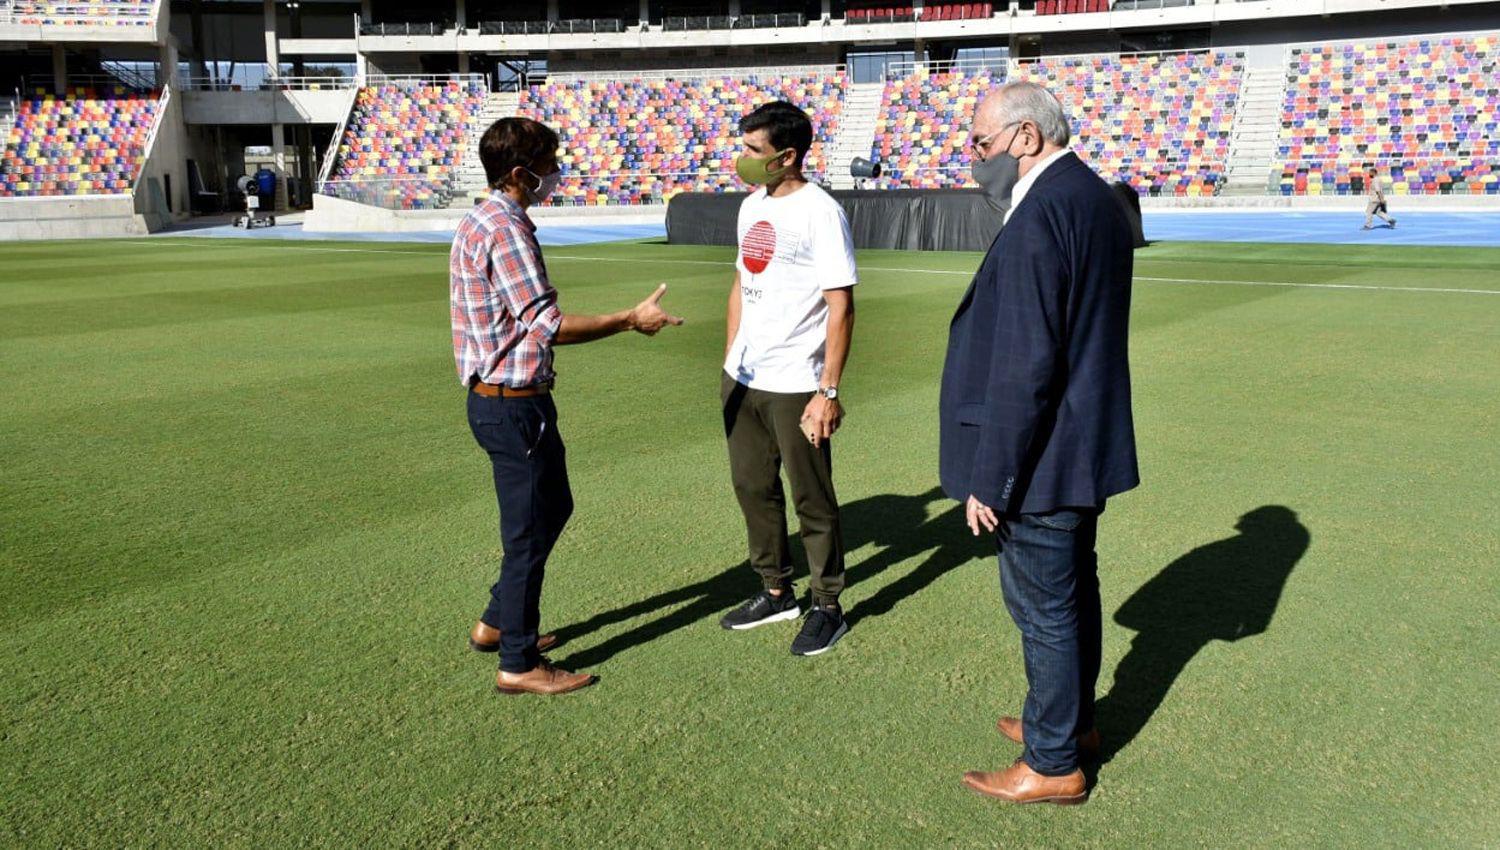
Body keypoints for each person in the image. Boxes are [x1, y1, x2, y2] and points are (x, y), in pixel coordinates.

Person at [938, 82, 1139, 804]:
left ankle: (1054, 763)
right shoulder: (1093, 196)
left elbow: (1026, 363)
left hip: (1043, 457)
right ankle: (1066, 723)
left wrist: (990, 480)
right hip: (1077, 442)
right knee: (1071, 595)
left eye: (981, 144)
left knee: (1045, 610)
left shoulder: (1043, 213)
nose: (974, 157)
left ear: (1025, 138)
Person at [451, 116, 683, 696]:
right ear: (520, 173)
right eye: (549, 164)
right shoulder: (506, 228)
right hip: (511, 404)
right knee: (528, 532)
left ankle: (498, 622)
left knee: (553, 507)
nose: (556, 174)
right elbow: (548, 326)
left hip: (506, 400)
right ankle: (518, 661)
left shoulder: (483, 219)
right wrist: (630, 319)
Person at [716, 101, 859, 657]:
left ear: (787, 156)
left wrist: (827, 392)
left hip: (798, 380)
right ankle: (776, 591)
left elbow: (840, 305)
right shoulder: (752, 207)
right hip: (745, 378)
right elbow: (739, 285)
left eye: (753, 150)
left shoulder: (820, 212)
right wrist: (731, 362)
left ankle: (828, 605)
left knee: (812, 498)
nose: (743, 159)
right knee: (753, 489)